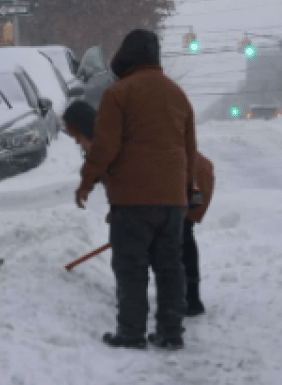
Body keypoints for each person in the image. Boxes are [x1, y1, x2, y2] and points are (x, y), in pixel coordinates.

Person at [75, 29, 198, 351]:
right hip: (173, 200)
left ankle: (131, 333)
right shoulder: (177, 94)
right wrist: (188, 189)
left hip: (133, 200)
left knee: (131, 268)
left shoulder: (119, 94)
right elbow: (189, 149)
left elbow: (105, 146)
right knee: (170, 267)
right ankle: (171, 332)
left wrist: (87, 181)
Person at [63, 100, 213, 318]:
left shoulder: (116, 140)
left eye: (77, 136)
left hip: (189, 178)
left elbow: (137, 179)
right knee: (171, 236)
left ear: (86, 128)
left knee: (179, 237)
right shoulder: (107, 141)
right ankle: (181, 300)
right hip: (176, 179)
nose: (77, 142)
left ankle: (187, 301)